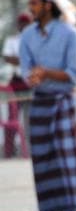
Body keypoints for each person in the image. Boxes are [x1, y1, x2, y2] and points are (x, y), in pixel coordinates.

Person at [17, 0, 76, 211]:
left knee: (69, 157)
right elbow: (26, 71)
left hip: (63, 101)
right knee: (42, 159)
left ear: (48, 5)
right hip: (39, 100)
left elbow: (74, 75)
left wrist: (46, 72)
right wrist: (33, 77)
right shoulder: (27, 36)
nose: (31, 8)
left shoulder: (70, 34)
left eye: (35, 3)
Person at [1, 12, 33, 157]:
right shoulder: (12, 40)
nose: (24, 26)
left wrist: (20, 60)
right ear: (19, 25)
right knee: (12, 118)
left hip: (31, 83)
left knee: (31, 118)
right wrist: (25, 61)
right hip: (15, 84)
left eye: (27, 23)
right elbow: (8, 57)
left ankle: (30, 151)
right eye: (22, 23)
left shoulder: (35, 40)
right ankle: (9, 151)